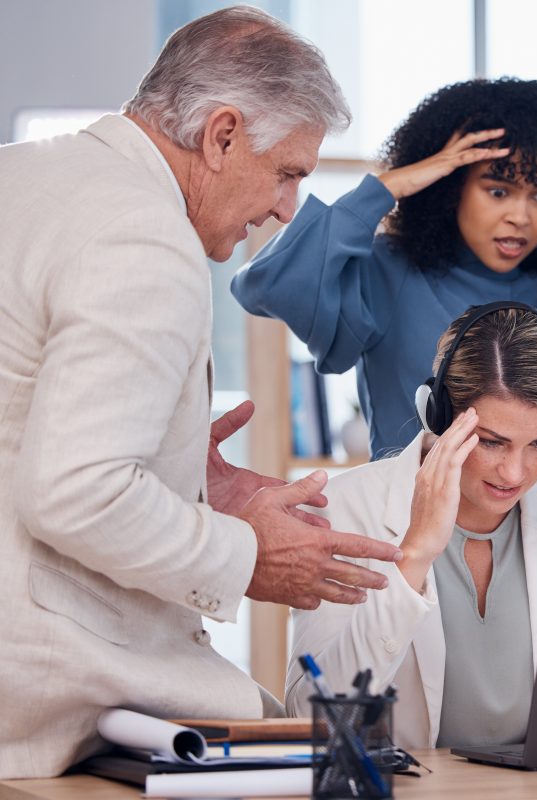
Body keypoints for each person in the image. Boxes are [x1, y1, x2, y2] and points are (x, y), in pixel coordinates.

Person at [0, 7, 404, 779]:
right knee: (331, 761)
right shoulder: (145, 235)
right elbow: (73, 491)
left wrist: (178, 472)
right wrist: (246, 553)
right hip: (45, 679)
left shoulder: (22, 174)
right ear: (220, 136)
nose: (287, 209)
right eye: (287, 173)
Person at [230, 77, 537, 457]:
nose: (520, 215)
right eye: (498, 191)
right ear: (452, 187)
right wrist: (388, 187)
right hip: (407, 535)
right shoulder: (386, 270)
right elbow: (269, 282)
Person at [286, 304, 537, 750]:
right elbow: (314, 717)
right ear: (437, 415)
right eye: (493, 442)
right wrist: (414, 554)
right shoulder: (342, 510)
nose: (515, 473)